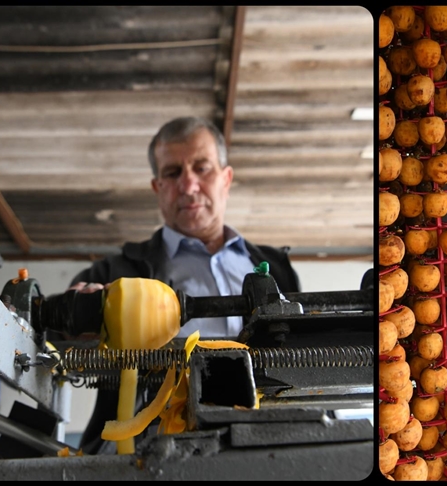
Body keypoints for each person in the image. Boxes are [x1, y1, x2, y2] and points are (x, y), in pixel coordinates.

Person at [71, 116, 301, 454]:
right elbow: (55, 333)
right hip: (148, 451)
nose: (189, 185)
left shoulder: (277, 269)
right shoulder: (115, 271)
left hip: (268, 445)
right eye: (173, 173)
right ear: (157, 187)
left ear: (226, 178)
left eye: (202, 168)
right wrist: (76, 315)